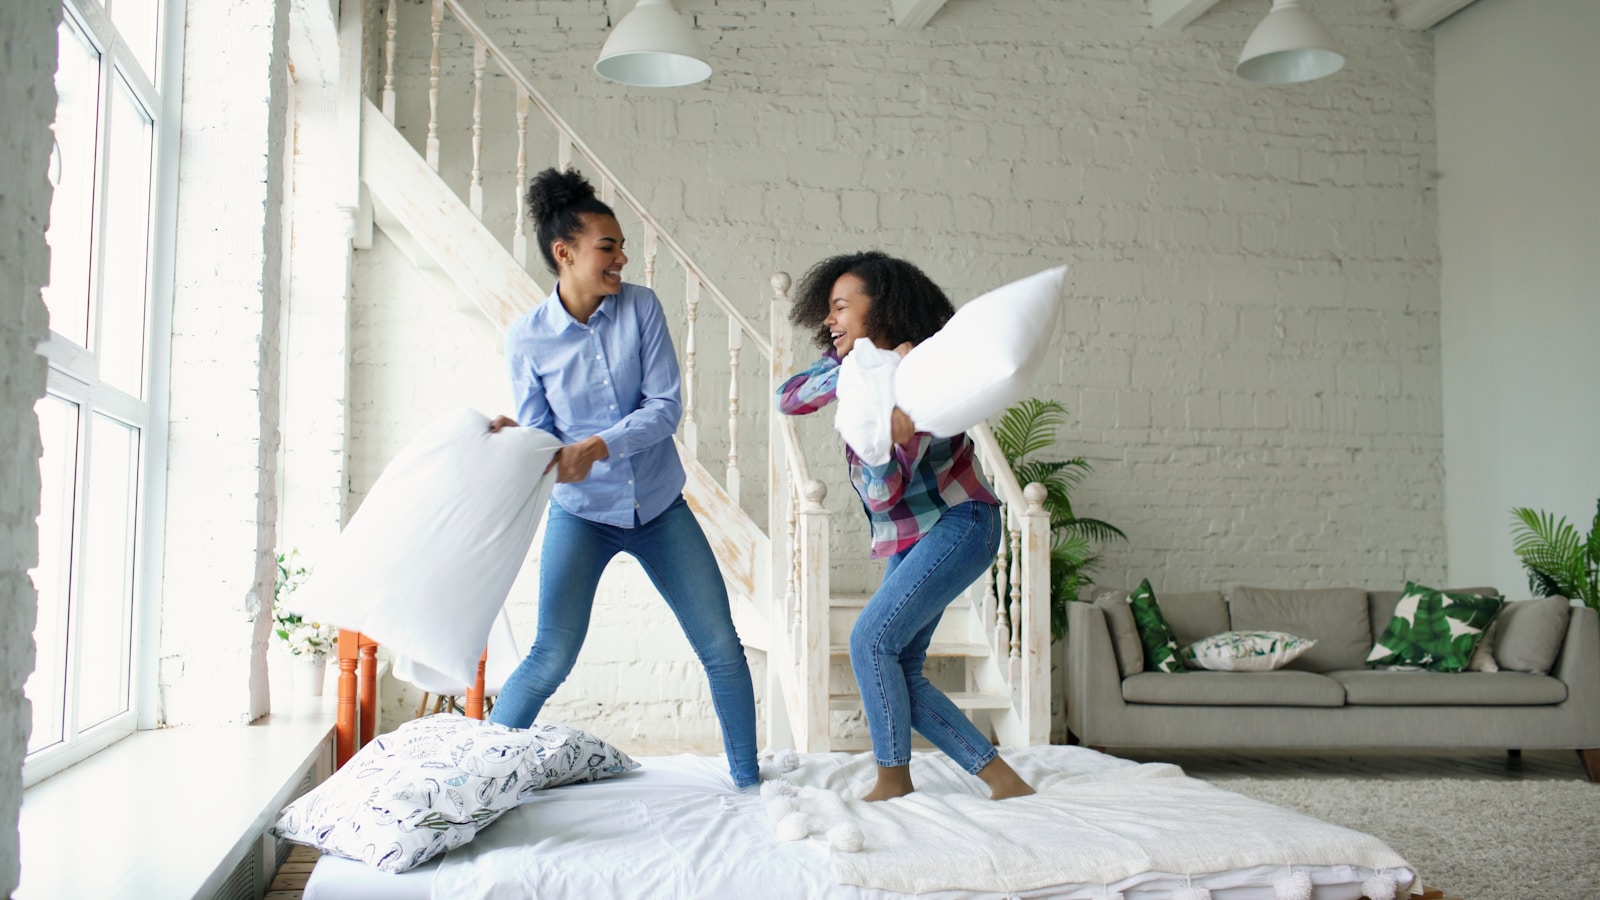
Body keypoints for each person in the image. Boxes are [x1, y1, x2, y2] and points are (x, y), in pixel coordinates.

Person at [487, 167, 759, 790]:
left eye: (621, 246)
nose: (621, 258)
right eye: (607, 246)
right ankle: (478, 781)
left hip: (660, 508)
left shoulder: (641, 306)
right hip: (581, 513)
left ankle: (749, 784)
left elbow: (664, 408)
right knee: (550, 656)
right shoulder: (527, 339)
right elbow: (545, 440)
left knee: (721, 647)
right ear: (565, 253)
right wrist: (519, 439)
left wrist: (599, 444)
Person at [777, 251, 1035, 802]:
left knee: (870, 641)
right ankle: (1003, 780)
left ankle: (893, 778)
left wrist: (889, 410)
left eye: (841, 307)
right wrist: (856, 369)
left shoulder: (921, 381)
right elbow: (788, 398)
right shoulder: (862, 376)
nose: (829, 319)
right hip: (914, 534)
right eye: (828, 308)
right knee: (898, 664)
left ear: (883, 309)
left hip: (960, 521)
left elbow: (885, 491)